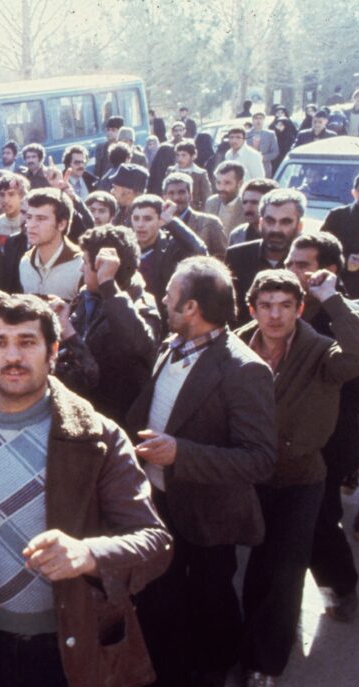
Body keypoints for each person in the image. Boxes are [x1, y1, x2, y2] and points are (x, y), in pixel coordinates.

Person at [0, 295, 172, 687]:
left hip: (70, 646)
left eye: (27, 342)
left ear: (53, 351)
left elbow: (155, 542)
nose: (13, 356)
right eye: (1, 343)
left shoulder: (98, 437)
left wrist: (88, 554)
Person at [127, 257, 276, 687]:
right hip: (159, 505)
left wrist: (182, 454)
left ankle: (213, 669)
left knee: (210, 601)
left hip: (209, 517)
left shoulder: (244, 370)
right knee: (160, 599)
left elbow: (259, 459)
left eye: (171, 294)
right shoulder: (170, 345)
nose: (163, 301)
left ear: (191, 307)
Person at [234, 268, 359, 686]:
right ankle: (252, 641)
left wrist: (333, 298)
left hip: (301, 480)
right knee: (254, 569)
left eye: (285, 306)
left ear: (299, 308)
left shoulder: (322, 352)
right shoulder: (236, 346)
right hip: (250, 477)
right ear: (252, 308)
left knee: (285, 570)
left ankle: (266, 664)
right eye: (266, 306)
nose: (275, 316)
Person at [57, 225, 162, 426]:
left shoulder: (142, 307)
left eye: (85, 262)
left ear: (106, 269)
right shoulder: (86, 297)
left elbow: (138, 346)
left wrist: (107, 284)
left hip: (114, 420)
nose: (81, 269)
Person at [226, 189, 306, 324]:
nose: (276, 229)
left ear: (299, 226)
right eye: (270, 221)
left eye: (285, 222)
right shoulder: (236, 256)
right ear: (261, 223)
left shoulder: (307, 261)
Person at [131, 194, 208, 309]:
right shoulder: (126, 245)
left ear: (160, 220)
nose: (140, 225)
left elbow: (200, 252)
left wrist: (171, 222)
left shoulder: (172, 247)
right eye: (136, 218)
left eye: (148, 219)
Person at [19, 188, 83, 301]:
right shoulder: (25, 262)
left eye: (41, 219)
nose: (30, 225)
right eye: (29, 217)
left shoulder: (81, 266)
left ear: (62, 224)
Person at [321, 165, 359, 299]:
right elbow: (321, 251)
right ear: (355, 193)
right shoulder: (338, 217)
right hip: (341, 289)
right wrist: (345, 262)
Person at [163, 172, 227, 259]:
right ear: (164, 197)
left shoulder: (210, 223)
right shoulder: (158, 225)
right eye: (171, 193)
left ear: (190, 196)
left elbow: (222, 259)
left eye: (181, 192)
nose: (176, 198)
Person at [228, 178, 279, 247]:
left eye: (255, 202)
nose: (248, 207)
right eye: (245, 202)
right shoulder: (237, 235)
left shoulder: (282, 235)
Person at [167, 141, 213, 210]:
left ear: (193, 156)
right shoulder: (171, 171)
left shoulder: (200, 173)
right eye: (178, 155)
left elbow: (207, 198)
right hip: (172, 210)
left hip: (192, 211)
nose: (180, 159)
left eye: (183, 155)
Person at [205, 161, 247, 234]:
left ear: (240, 184)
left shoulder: (247, 207)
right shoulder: (211, 202)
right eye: (218, 183)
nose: (221, 188)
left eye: (227, 183)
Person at [0, 172, 29, 247]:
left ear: (21, 196)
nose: (6, 200)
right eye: (2, 194)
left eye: (11, 194)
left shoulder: (29, 221)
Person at [270, 106, 298, 170]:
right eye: (277, 125)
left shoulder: (290, 137)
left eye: (281, 125)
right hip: (274, 161)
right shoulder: (273, 134)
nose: (278, 127)